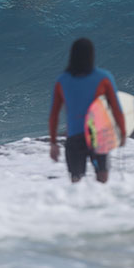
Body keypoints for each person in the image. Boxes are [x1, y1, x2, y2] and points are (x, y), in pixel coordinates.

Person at [48, 38, 126, 183]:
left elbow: (54, 115)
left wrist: (53, 143)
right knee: (102, 179)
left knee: (76, 183)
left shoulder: (62, 80)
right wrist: (122, 132)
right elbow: (116, 109)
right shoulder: (104, 78)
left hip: (74, 138)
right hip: (98, 136)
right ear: (92, 55)